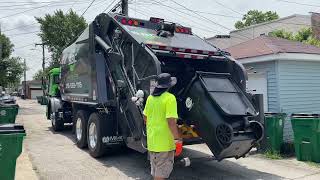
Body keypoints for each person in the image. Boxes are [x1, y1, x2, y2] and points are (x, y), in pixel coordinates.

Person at [143, 73, 182, 180]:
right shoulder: (170, 98)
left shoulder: (150, 98)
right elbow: (170, 121)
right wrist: (177, 139)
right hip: (165, 144)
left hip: (152, 142)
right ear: (169, 86)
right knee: (160, 175)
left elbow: (145, 118)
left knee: (156, 172)